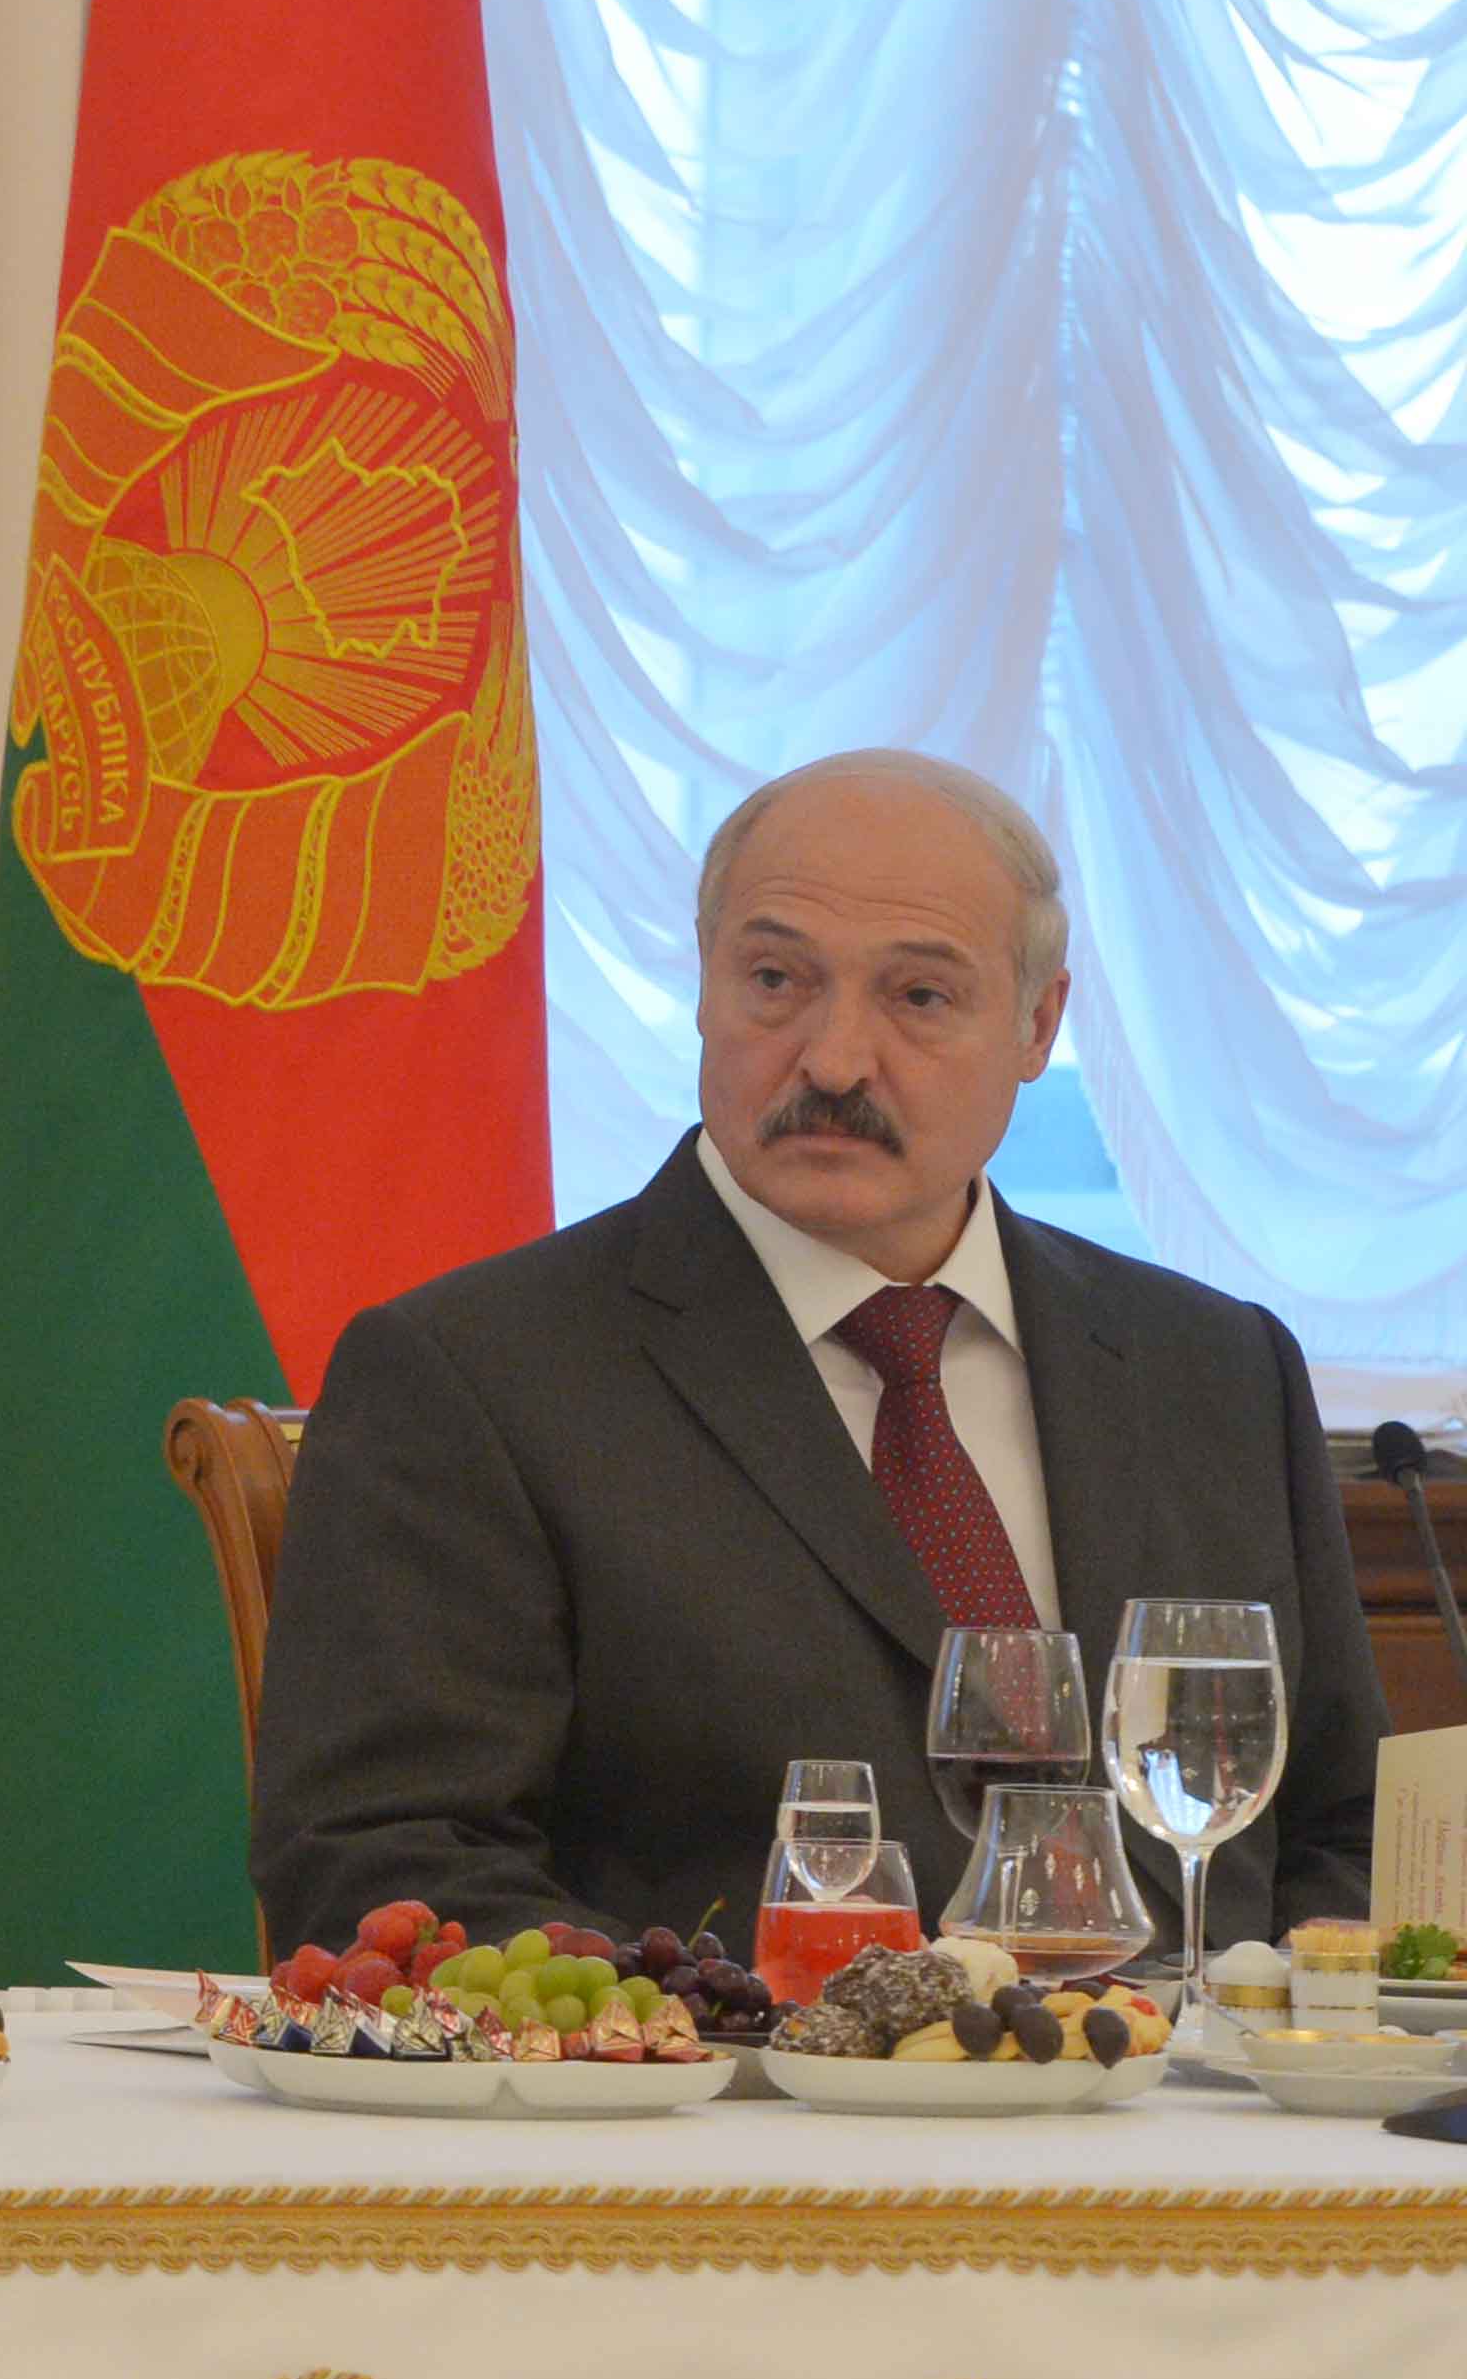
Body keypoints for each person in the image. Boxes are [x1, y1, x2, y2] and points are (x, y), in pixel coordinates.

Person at [250, 749, 1378, 1958]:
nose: (832, 1060)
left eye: (918, 998)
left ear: (1037, 1023)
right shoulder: (470, 1375)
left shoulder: (1215, 1370)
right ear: (702, 986)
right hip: (734, 2128)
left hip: (1188, 2133)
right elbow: (384, 1859)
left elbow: (1339, 1833)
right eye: (775, 979)